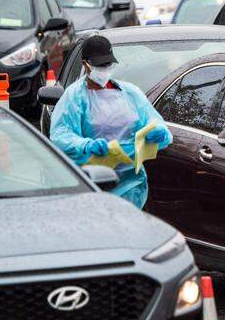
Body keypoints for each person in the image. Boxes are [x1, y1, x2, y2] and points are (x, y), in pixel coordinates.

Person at [50, 35, 173, 208]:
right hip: (92, 183)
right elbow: (60, 134)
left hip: (131, 182)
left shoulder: (130, 93)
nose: (104, 69)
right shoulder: (74, 97)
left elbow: (152, 119)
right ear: (85, 64)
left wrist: (158, 131)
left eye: (108, 65)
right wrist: (85, 145)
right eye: (99, 66)